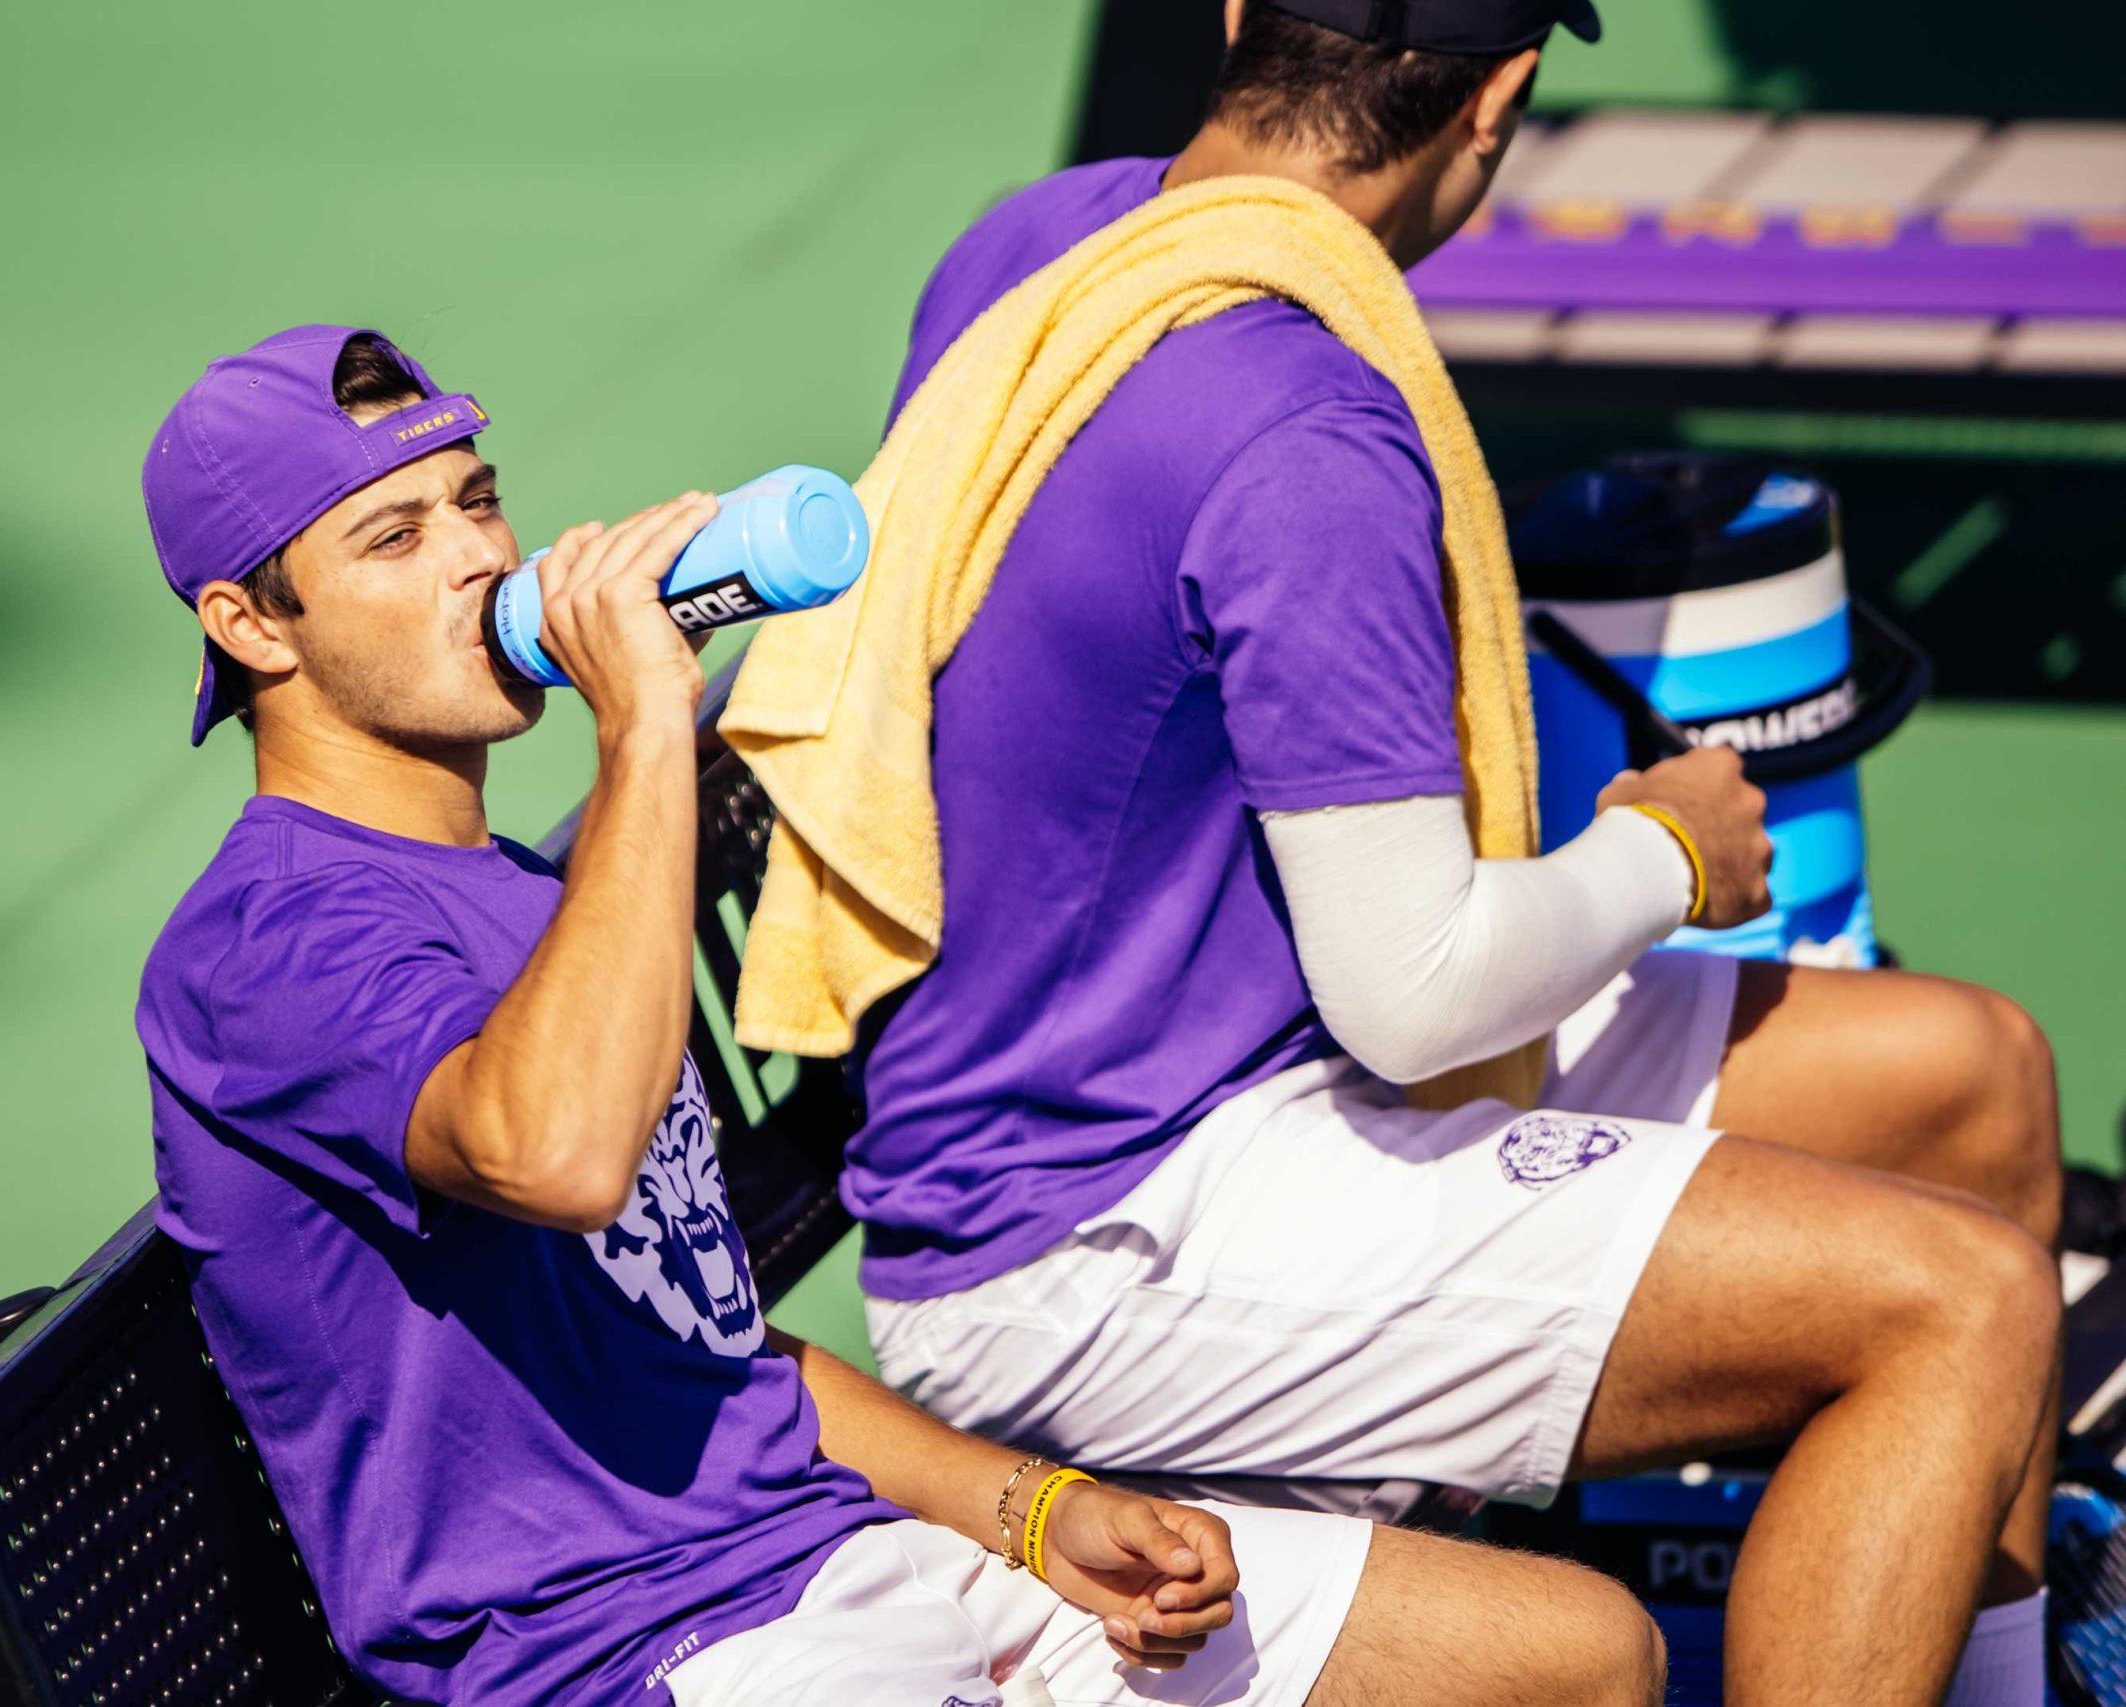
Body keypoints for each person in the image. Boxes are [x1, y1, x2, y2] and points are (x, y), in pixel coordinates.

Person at [131, 324, 1675, 1706]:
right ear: (253, 625)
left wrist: (1042, 1514)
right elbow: (559, 1156)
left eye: (477, 500)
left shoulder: (532, 899)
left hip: (847, 1564)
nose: (476, 558)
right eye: (393, 537)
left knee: (1577, 1655)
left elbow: (713, 1348)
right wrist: (649, 724)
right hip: (644, 1656)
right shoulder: (265, 943)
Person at [844, 5, 2066, 1705]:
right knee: (1964, 1301)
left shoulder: (1044, 241)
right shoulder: (1311, 441)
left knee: (1972, 1076)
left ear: (1233, 24)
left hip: (1181, 1060)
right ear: (1496, 106)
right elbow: (1418, 996)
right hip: (1095, 1225)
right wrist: (1661, 850)